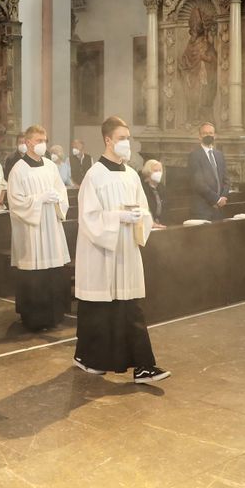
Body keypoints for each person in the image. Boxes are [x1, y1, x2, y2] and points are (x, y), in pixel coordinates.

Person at [73, 115, 170, 383]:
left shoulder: (131, 175)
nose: (127, 143)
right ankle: (88, 357)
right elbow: (89, 218)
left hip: (126, 250)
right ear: (108, 140)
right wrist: (117, 217)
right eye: (122, 139)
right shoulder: (94, 175)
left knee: (131, 307)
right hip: (102, 251)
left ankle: (143, 366)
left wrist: (140, 217)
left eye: (128, 138)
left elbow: (143, 209)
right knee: (99, 309)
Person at [7, 125, 71, 331]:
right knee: (34, 274)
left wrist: (58, 199)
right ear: (27, 143)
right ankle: (33, 318)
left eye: (45, 140)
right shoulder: (18, 169)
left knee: (52, 272)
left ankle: (54, 315)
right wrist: (38, 199)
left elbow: (61, 191)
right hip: (31, 229)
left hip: (51, 225)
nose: (43, 144)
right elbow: (15, 202)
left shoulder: (51, 166)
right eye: (38, 140)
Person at [188, 122, 230, 221]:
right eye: (205, 133)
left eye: (211, 133)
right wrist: (217, 199)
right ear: (199, 136)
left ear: (215, 136)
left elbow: (226, 180)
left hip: (219, 209)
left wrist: (223, 197)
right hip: (202, 209)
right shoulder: (194, 156)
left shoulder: (219, 155)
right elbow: (198, 183)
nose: (208, 135)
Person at [142, 159, 167, 228]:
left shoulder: (162, 187)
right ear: (148, 172)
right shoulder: (143, 188)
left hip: (162, 224)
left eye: (160, 171)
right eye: (155, 171)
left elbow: (166, 208)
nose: (158, 173)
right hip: (147, 225)